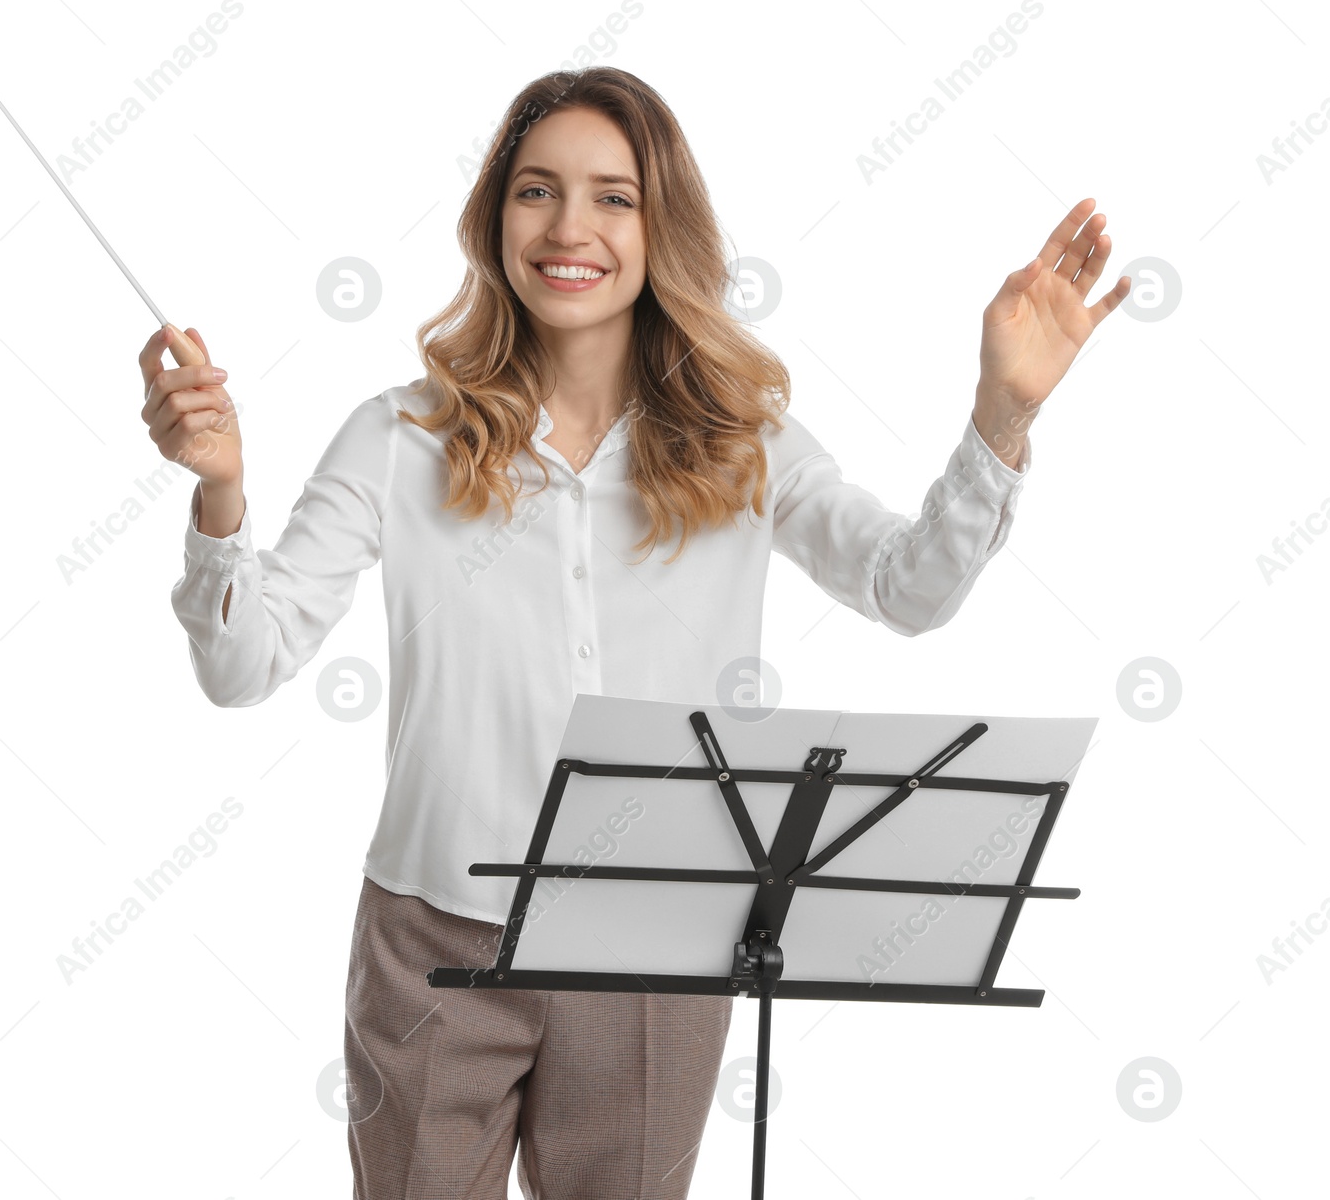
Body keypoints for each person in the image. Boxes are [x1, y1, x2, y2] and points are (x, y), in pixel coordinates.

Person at [139, 66, 1128, 1199]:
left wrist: (1002, 415)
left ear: (662, 224)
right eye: (535, 191)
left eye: (613, 196)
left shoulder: (742, 436)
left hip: (657, 943)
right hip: (432, 943)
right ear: (492, 218)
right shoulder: (396, 436)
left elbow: (905, 587)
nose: (570, 228)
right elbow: (241, 662)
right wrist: (220, 491)